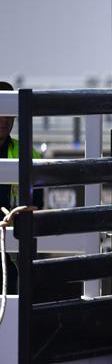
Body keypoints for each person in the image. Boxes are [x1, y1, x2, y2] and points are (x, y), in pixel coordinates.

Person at [0, 81, 43, 294]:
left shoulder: (29, 153)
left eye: (9, 113)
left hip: (14, 253)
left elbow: (39, 206)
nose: (5, 119)